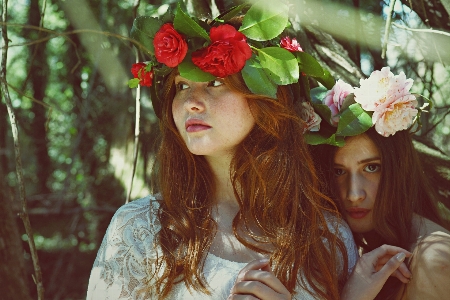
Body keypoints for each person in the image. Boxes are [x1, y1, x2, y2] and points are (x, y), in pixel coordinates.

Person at [87, 3, 411, 299]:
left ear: (266, 97)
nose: (190, 103)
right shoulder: (138, 229)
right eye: (182, 86)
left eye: (214, 82)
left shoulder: (327, 238)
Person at [311, 67, 450, 299]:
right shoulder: (361, 253)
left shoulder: (434, 262)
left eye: (371, 168)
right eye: (338, 171)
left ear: (399, 170)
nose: (353, 194)